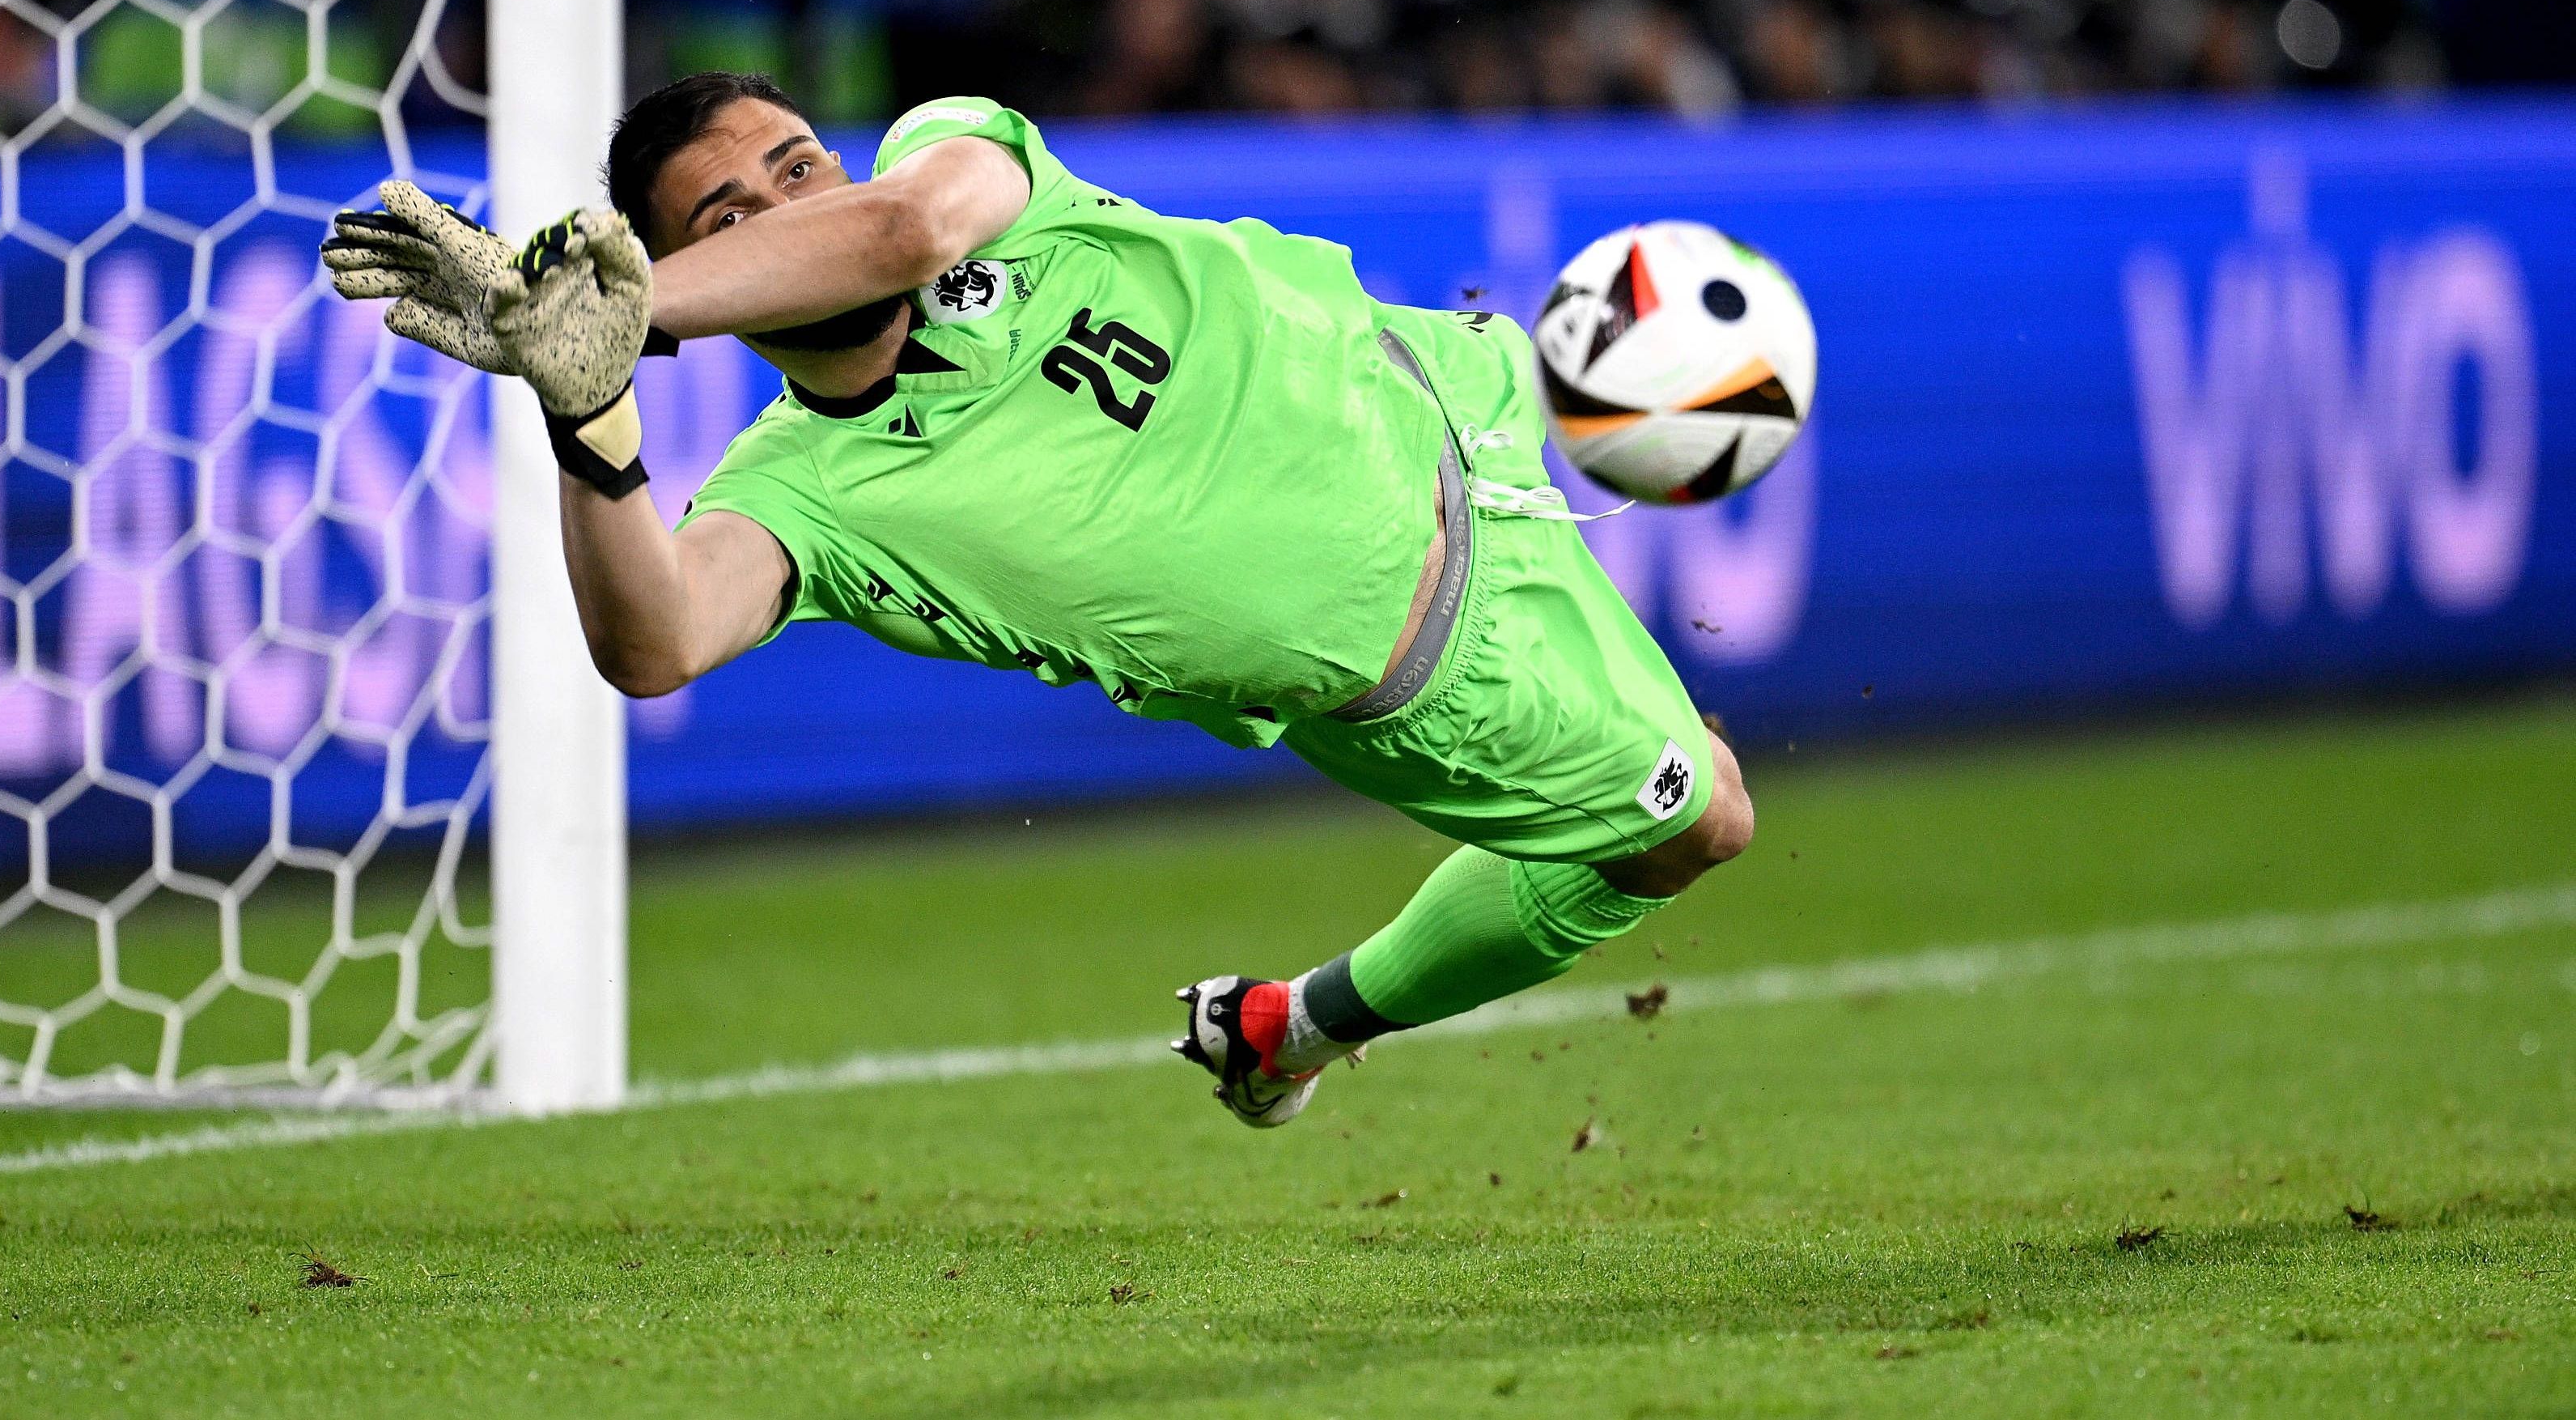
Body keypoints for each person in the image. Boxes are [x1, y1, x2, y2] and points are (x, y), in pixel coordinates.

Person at [320, 72, 1755, 1127]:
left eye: (794, 165)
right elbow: (657, 642)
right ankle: (1295, 1026)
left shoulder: (954, 154)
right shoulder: (808, 492)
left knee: (1678, 361)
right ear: (701, 266)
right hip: (1443, 662)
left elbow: (894, 230)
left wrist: (641, 303)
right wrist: (591, 414)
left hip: (1462, 382)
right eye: (727, 213)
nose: (788, 205)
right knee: (1701, 823)